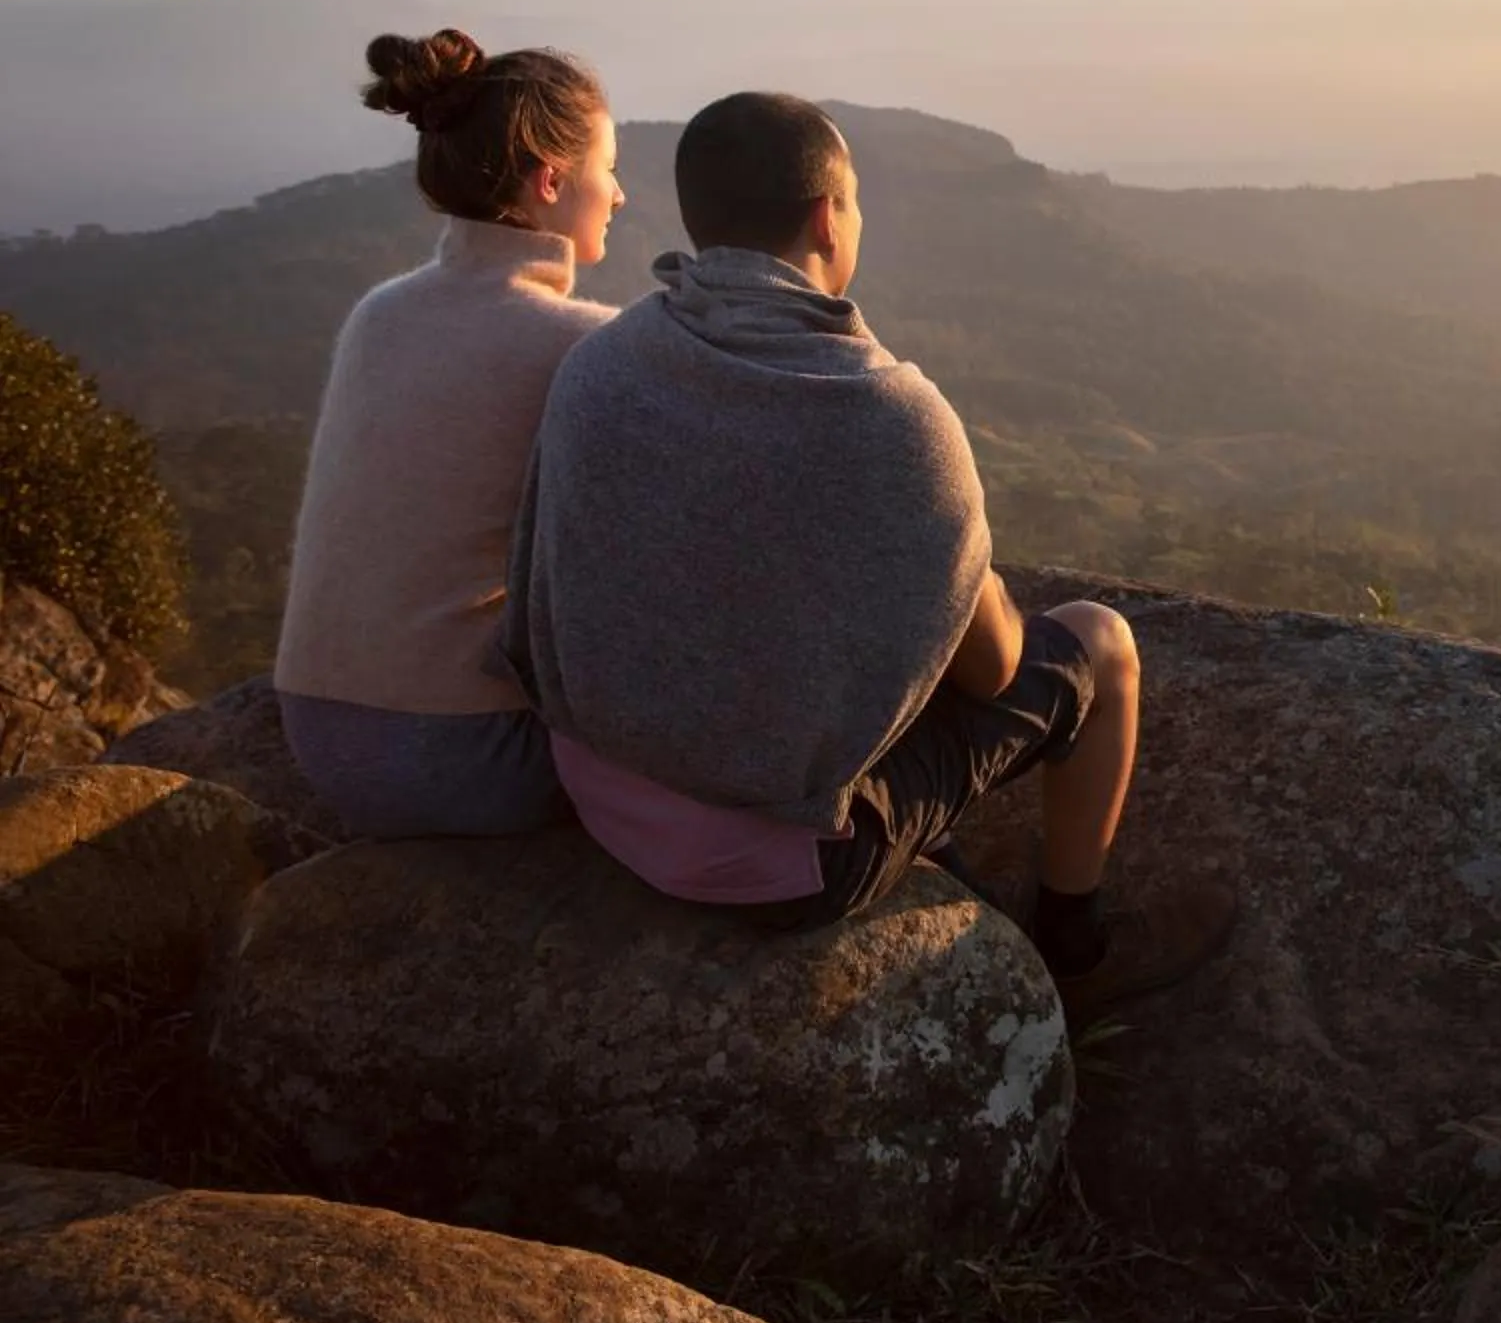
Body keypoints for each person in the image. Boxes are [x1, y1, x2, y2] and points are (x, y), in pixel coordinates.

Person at [500, 91, 1230, 1011]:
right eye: (855, 203)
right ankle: (1077, 952)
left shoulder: (604, 362)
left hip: (595, 792)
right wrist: (964, 572)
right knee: (1098, 645)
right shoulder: (890, 415)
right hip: (781, 867)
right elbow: (996, 669)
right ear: (825, 215)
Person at [273, 29, 626, 838]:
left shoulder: (380, 313)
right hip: (464, 758)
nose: (618, 194)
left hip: (317, 734)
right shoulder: (582, 345)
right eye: (609, 169)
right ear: (550, 180)